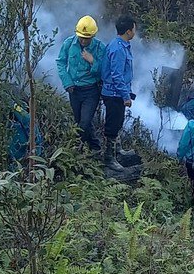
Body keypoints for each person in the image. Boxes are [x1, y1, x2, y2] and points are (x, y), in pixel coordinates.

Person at [56, 15, 106, 153]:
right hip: (74, 90)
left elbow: (105, 70)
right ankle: (95, 147)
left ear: (93, 36)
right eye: (81, 37)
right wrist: (67, 82)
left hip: (91, 90)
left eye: (87, 38)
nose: (83, 41)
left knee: (84, 122)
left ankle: (76, 149)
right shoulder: (69, 44)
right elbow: (60, 62)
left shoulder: (100, 48)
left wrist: (92, 61)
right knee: (79, 121)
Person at [101, 16, 136, 171]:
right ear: (128, 31)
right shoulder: (118, 49)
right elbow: (117, 75)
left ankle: (117, 149)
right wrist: (125, 96)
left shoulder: (122, 45)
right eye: (134, 29)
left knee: (118, 121)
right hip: (114, 93)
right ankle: (109, 158)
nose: (135, 31)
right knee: (113, 125)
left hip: (117, 92)